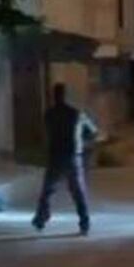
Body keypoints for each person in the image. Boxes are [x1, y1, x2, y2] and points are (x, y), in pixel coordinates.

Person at [33, 83, 100, 235]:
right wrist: (82, 140)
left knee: (48, 190)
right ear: (67, 96)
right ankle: (84, 222)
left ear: (53, 97)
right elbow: (93, 132)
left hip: (55, 156)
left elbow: (44, 134)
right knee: (78, 192)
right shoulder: (76, 114)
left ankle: (41, 219)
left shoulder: (49, 114)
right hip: (73, 157)